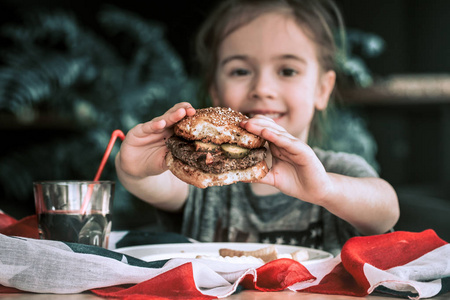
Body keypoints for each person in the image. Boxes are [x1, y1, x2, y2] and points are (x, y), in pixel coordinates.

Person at [115, 0, 399, 255]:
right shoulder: (203, 173)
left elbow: (386, 211)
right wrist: (135, 170)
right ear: (215, 91)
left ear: (322, 89)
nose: (262, 89)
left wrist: (325, 189)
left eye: (287, 70)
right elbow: (156, 184)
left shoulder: (339, 171)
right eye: (240, 71)